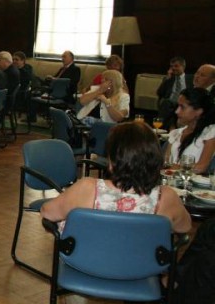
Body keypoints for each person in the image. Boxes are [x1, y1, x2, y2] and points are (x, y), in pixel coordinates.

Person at [41, 122, 191, 234]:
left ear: (112, 162)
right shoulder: (166, 197)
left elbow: (47, 212)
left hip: (85, 265)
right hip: (140, 272)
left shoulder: (87, 188)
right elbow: (185, 227)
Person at [165, 88, 215, 174]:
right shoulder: (176, 133)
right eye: (177, 106)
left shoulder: (210, 132)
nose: (177, 111)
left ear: (198, 111)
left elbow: (201, 167)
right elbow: (165, 162)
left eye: (182, 107)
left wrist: (174, 167)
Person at [157, 56, 193, 129]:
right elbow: (159, 93)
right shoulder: (169, 79)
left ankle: (167, 128)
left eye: (176, 66)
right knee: (166, 103)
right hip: (170, 103)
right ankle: (161, 129)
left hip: (184, 104)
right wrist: (167, 79)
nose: (173, 68)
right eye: (171, 66)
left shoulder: (191, 78)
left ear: (183, 67)